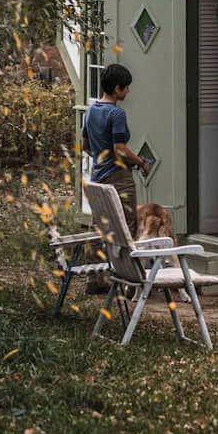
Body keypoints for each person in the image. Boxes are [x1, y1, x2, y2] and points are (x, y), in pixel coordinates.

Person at [81, 63, 150, 292]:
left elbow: (85, 145)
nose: (128, 92)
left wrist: (101, 159)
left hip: (98, 176)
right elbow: (120, 149)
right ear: (117, 88)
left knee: (98, 226)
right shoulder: (116, 113)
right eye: (126, 88)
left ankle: (94, 279)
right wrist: (140, 161)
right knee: (126, 228)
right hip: (119, 178)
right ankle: (130, 281)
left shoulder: (91, 110)